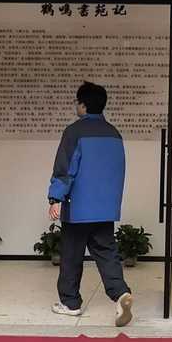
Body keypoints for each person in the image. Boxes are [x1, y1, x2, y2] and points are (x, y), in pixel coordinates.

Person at [47, 81, 133, 327]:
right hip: (104, 208)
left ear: (83, 105)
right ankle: (120, 293)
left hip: (78, 207)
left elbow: (65, 169)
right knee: (107, 253)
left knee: (71, 255)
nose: (76, 106)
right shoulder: (114, 133)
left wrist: (55, 198)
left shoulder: (74, 132)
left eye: (77, 102)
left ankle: (70, 303)